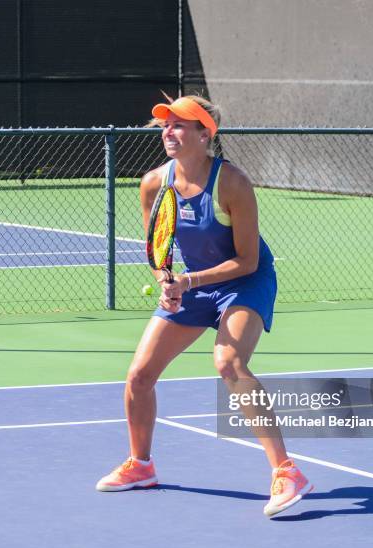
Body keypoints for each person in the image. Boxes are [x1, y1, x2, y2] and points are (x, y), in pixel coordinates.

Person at [96, 95, 312, 517]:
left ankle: (287, 472)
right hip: (192, 284)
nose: (168, 132)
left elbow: (247, 260)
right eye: (165, 125)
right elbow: (157, 251)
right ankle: (141, 466)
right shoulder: (154, 183)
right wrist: (166, 283)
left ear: (203, 134)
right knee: (139, 375)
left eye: (179, 125)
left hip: (245, 282)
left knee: (229, 362)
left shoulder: (232, 183)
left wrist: (188, 280)